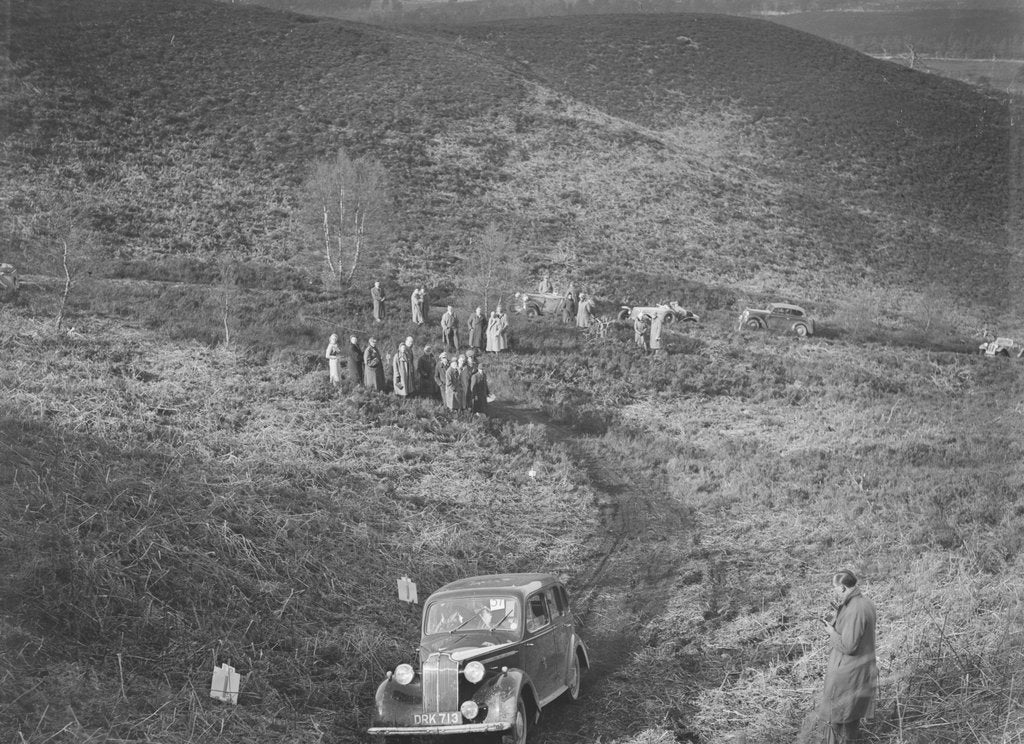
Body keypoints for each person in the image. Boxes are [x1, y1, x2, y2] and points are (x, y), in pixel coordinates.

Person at [818, 570, 878, 744]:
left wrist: (831, 632)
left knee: (835, 717)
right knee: (851, 717)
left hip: (848, 671)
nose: (834, 591)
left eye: (835, 588)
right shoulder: (865, 603)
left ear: (843, 588)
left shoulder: (855, 609)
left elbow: (848, 645)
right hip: (859, 669)